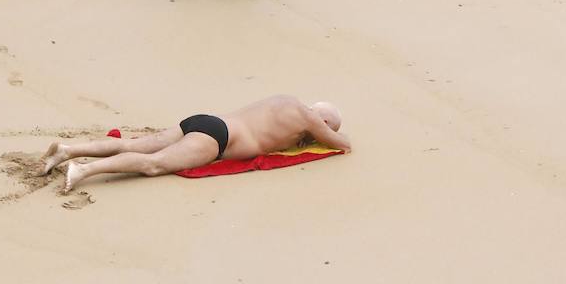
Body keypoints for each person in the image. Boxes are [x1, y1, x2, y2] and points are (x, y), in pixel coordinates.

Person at [42, 95, 349, 194]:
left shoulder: (286, 100)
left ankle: (67, 150)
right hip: (217, 140)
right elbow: (342, 144)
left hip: (205, 121)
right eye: (324, 124)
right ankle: (83, 170)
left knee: (136, 145)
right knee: (154, 163)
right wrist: (330, 131)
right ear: (321, 117)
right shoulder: (308, 118)